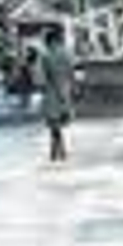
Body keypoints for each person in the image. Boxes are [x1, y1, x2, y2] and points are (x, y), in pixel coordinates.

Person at [38, 27, 76, 162]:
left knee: (53, 123)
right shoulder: (66, 53)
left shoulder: (45, 55)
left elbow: (41, 77)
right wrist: (73, 87)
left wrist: (42, 88)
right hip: (65, 89)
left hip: (52, 91)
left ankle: (57, 151)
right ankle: (58, 150)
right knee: (59, 122)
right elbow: (71, 72)